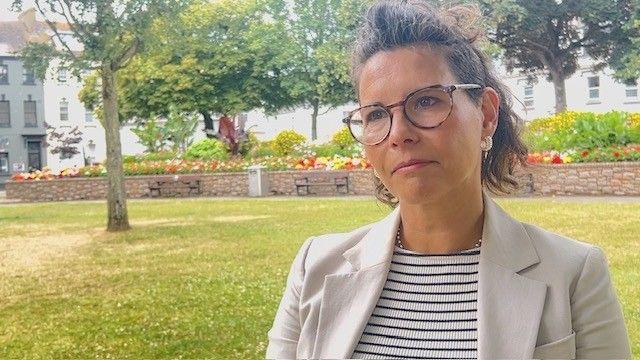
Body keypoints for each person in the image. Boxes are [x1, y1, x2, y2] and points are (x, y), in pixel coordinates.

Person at [265, 1, 632, 359]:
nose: (398, 133)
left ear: (486, 114)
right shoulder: (316, 267)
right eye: (376, 113)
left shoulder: (572, 274)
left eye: (426, 101)